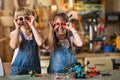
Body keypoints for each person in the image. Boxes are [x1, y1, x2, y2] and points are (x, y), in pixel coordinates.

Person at [9, 8, 44, 75]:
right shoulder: (15, 33)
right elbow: (14, 46)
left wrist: (32, 25)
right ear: (16, 20)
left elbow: (40, 43)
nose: (24, 21)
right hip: (18, 70)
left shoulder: (37, 32)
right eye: (21, 19)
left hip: (34, 69)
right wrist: (17, 28)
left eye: (27, 18)